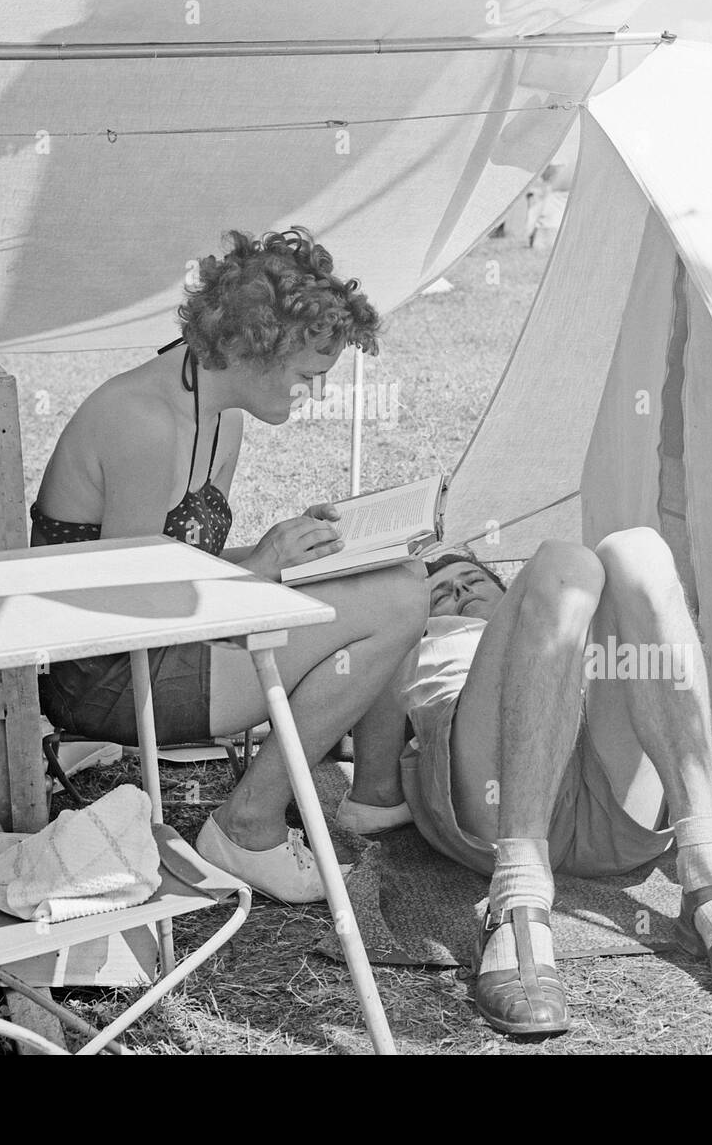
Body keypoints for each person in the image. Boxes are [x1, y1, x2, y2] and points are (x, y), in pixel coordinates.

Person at [30, 228, 428, 902]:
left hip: (165, 653)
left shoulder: (218, 410)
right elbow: (128, 614)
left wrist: (291, 551)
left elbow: (188, 565)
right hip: (108, 679)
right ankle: (247, 825)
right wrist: (267, 567)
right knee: (394, 601)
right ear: (253, 348)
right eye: (307, 374)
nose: (314, 392)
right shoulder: (145, 423)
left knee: (396, 577)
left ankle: (371, 795)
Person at [400, 534, 712, 1035]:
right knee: (563, 561)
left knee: (638, 550)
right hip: (497, 809)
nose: (458, 594)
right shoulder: (426, 643)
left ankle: (708, 875)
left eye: (472, 580)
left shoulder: (571, 617)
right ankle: (517, 895)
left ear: (506, 588)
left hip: (610, 812)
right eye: (442, 595)